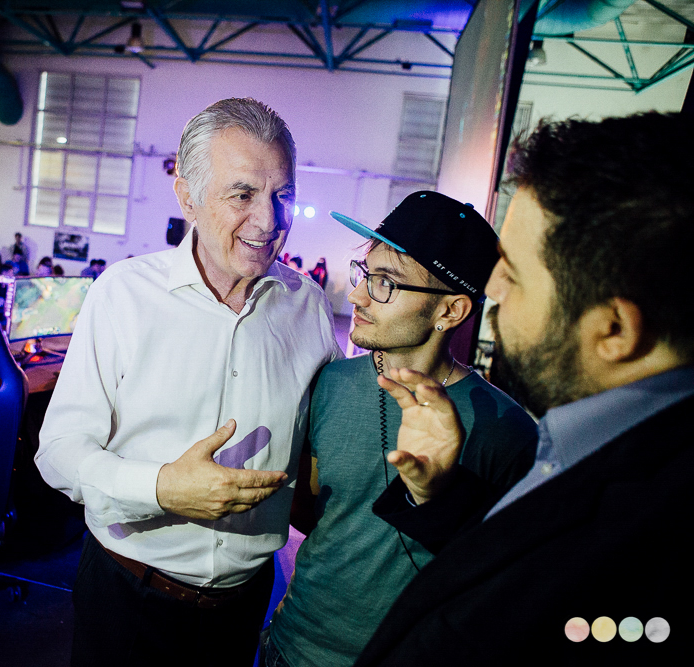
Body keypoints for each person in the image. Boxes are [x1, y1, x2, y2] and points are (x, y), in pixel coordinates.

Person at [354, 112, 694, 665]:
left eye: (512, 273)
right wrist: (441, 497)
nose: (489, 289)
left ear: (612, 330)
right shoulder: (587, 442)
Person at [36, 98, 341, 667]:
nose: (269, 220)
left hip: (245, 605)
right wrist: (160, 487)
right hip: (129, 596)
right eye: (242, 194)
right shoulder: (123, 295)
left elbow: (327, 449)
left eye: (283, 195)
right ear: (187, 197)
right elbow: (58, 451)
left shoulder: (308, 308)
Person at [263, 193, 537, 667]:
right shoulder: (330, 383)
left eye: (386, 284)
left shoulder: (504, 429)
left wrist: (440, 496)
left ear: (450, 311)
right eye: (365, 273)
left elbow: (507, 576)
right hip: (293, 646)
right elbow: (316, 512)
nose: (357, 296)